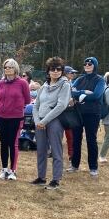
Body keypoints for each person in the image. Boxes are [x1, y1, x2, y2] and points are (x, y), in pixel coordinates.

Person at [32, 57, 72, 190]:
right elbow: (35, 105)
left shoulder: (65, 85)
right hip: (40, 123)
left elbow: (61, 105)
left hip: (55, 122)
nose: (55, 71)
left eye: (58, 69)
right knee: (41, 150)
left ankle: (56, 179)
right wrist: (38, 121)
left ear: (62, 71)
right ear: (48, 71)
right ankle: (41, 177)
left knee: (56, 150)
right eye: (52, 69)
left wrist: (44, 121)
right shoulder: (43, 86)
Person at [67, 56, 105, 176]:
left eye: (90, 64)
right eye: (85, 64)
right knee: (76, 139)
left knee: (91, 140)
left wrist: (80, 95)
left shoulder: (100, 80)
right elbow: (71, 91)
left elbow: (96, 95)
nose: (87, 65)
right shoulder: (80, 79)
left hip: (92, 113)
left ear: (95, 65)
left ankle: (93, 167)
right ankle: (74, 164)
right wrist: (83, 93)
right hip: (78, 112)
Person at [0, 58, 31, 180]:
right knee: (3, 144)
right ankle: (4, 169)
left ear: (15, 68)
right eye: (5, 67)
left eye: (10, 67)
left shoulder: (22, 83)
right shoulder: (0, 83)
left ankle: (12, 171)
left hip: (15, 118)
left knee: (13, 144)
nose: (7, 69)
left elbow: (27, 100)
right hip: (1, 117)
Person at [62, 66, 78, 158]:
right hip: (61, 111)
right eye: (71, 72)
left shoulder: (72, 84)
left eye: (73, 73)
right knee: (56, 134)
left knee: (70, 134)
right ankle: (52, 150)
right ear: (65, 73)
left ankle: (71, 154)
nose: (73, 74)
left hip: (69, 112)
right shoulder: (63, 83)